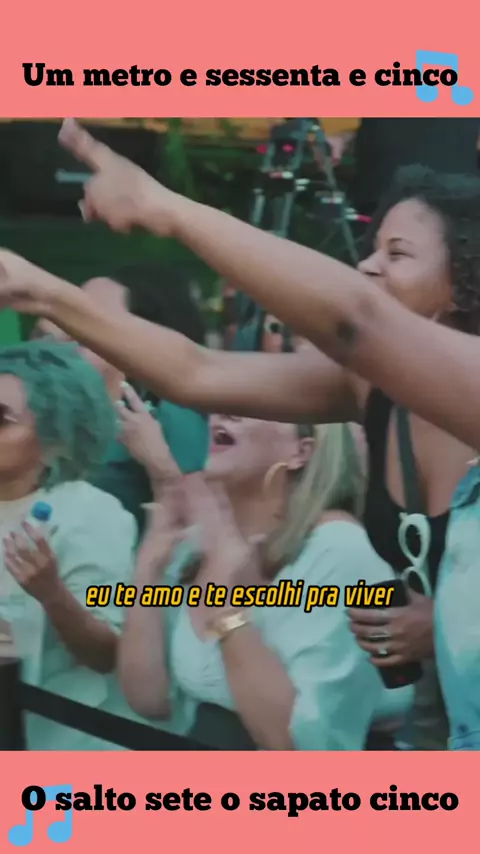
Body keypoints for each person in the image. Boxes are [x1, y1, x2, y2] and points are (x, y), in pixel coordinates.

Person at [1, 122, 480, 745]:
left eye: (397, 253)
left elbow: (354, 320)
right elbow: (196, 372)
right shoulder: (377, 392)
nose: (366, 264)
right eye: (372, 248)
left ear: (463, 283)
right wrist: (43, 293)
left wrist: (165, 207)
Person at [119, 414, 412, 750]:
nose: (223, 412)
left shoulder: (341, 550)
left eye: (250, 406)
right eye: (223, 401)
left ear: (300, 452)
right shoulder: (202, 540)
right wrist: (147, 572)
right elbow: (149, 700)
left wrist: (226, 613)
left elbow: (303, 748)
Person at [0, 338, 136, 749]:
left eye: (1, 418)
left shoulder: (92, 514)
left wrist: (52, 594)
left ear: (56, 441)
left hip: (56, 747)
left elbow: (106, 654)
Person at [31, 263, 209, 536]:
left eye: (93, 320)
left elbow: (200, 527)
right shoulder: (46, 411)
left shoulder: (168, 416)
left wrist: (161, 469)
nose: (72, 324)